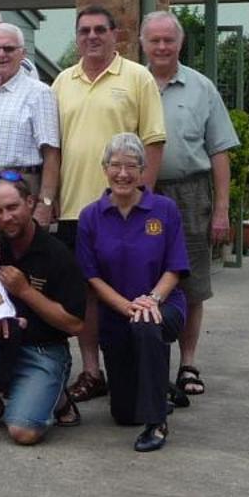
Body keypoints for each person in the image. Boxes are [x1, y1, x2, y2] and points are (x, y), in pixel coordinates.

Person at [53, 4, 166, 404]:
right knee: (85, 293)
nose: (92, 36)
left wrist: (143, 200)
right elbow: (55, 148)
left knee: (130, 285)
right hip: (73, 209)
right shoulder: (62, 82)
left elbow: (153, 141)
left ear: (115, 34)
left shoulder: (138, 78)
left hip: (124, 208)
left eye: (101, 29)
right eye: (84, 30)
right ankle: (91, 370)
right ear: (77, 36)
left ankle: (135, 366)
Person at [141, 10, 240, 402]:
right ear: (143, 44)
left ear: (180, 43)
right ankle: (147, 365)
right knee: (142, 278)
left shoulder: (202, 88)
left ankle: (188, 364)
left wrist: (221, 209)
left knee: (192, 282)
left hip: (190, 194)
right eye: (155, 40)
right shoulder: (130, 83)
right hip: (141, 195)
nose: (162, 47)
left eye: (169, 40)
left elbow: (219, 152)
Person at [0, 175, 87, 445]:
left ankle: (57, 398)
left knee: (23, 432)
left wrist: (24, 291)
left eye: (13, 207)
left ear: (30, 203)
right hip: (2, 342)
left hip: (43, 350)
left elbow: (75, 324)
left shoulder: (56, 254)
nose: (6, 217)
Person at [77, 133, 188, 452]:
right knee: (125, 414)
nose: (122, 174)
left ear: (142, 171)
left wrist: (151, 300)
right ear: (104, 168)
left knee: (146, 324)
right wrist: (127, 306)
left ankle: (157, 423)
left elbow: (175, 267)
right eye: (115, 165)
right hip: (116, 315)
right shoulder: (90, 217)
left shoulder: (164, 210)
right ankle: (156, 385)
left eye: (131, 166)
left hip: (163, 307)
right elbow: (92, 277)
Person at [0, 23, 60, 233]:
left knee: (21, 258)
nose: (1, 55)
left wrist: (45, 203)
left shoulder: (39, 93)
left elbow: (51, 153)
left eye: (8, 49)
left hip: (20, 185)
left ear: (22, 53)